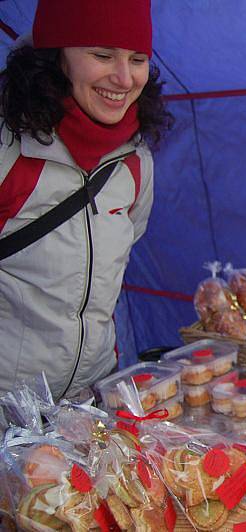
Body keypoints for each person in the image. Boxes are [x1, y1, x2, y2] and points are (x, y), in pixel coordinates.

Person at [0, 0, 172, 399]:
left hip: (90, 404)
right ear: (57, 56)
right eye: (101, 55)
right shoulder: (9, 152)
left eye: (138, 59)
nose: (125, 78)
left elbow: (118, 257)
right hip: (9, 413)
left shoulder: (135, 162)